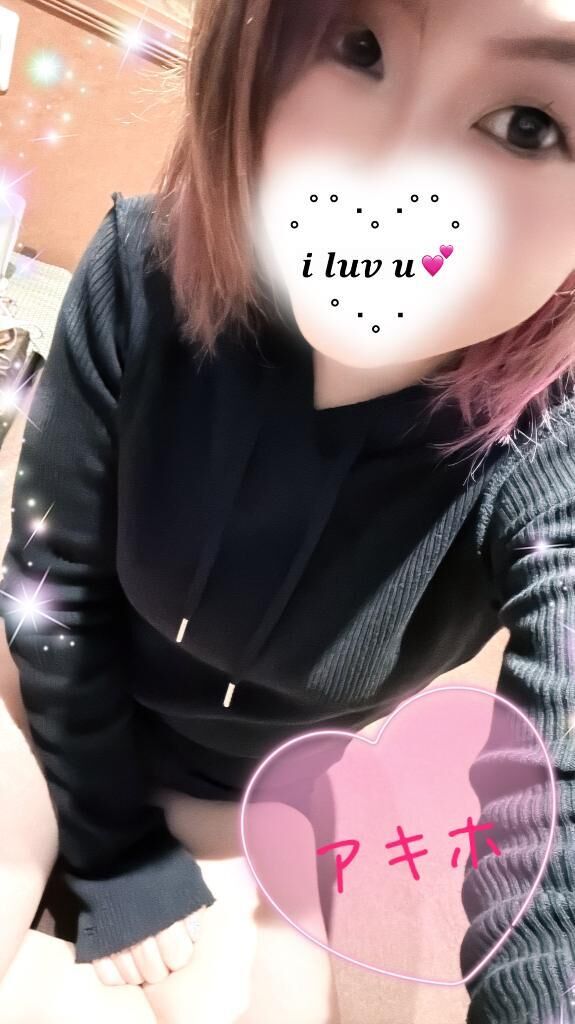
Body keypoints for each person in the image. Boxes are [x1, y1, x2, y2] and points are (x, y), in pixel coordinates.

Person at [1, 0, 575, 1021]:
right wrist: (113, 840)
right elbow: (52, 589)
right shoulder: (142, 269)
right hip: (45, 711)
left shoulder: (546, 449)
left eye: (528, 124)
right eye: (358, 47)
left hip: (254, 796)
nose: (390, 185)